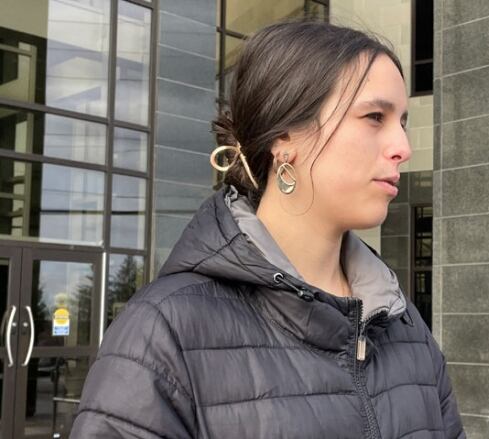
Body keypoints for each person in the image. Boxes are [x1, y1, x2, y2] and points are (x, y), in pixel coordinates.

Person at [71, 20, 465, 439]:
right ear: (284, 135)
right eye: (374, 117)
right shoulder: (164, 332)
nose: (403, 147)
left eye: (401, 121)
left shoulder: (402, 325)